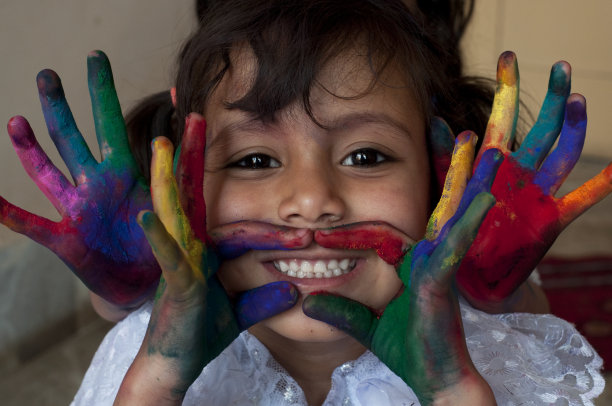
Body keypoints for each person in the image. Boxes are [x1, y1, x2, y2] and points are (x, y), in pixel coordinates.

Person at [1, 0, 611, 404]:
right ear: (187, 191)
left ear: (440, 180)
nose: (312, 201)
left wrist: (458, 378)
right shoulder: (157, 332)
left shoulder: (477, 342)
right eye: (255, 160)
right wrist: (157, 368)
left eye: (366, 156)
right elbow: (123, 307)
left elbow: (521, 309)